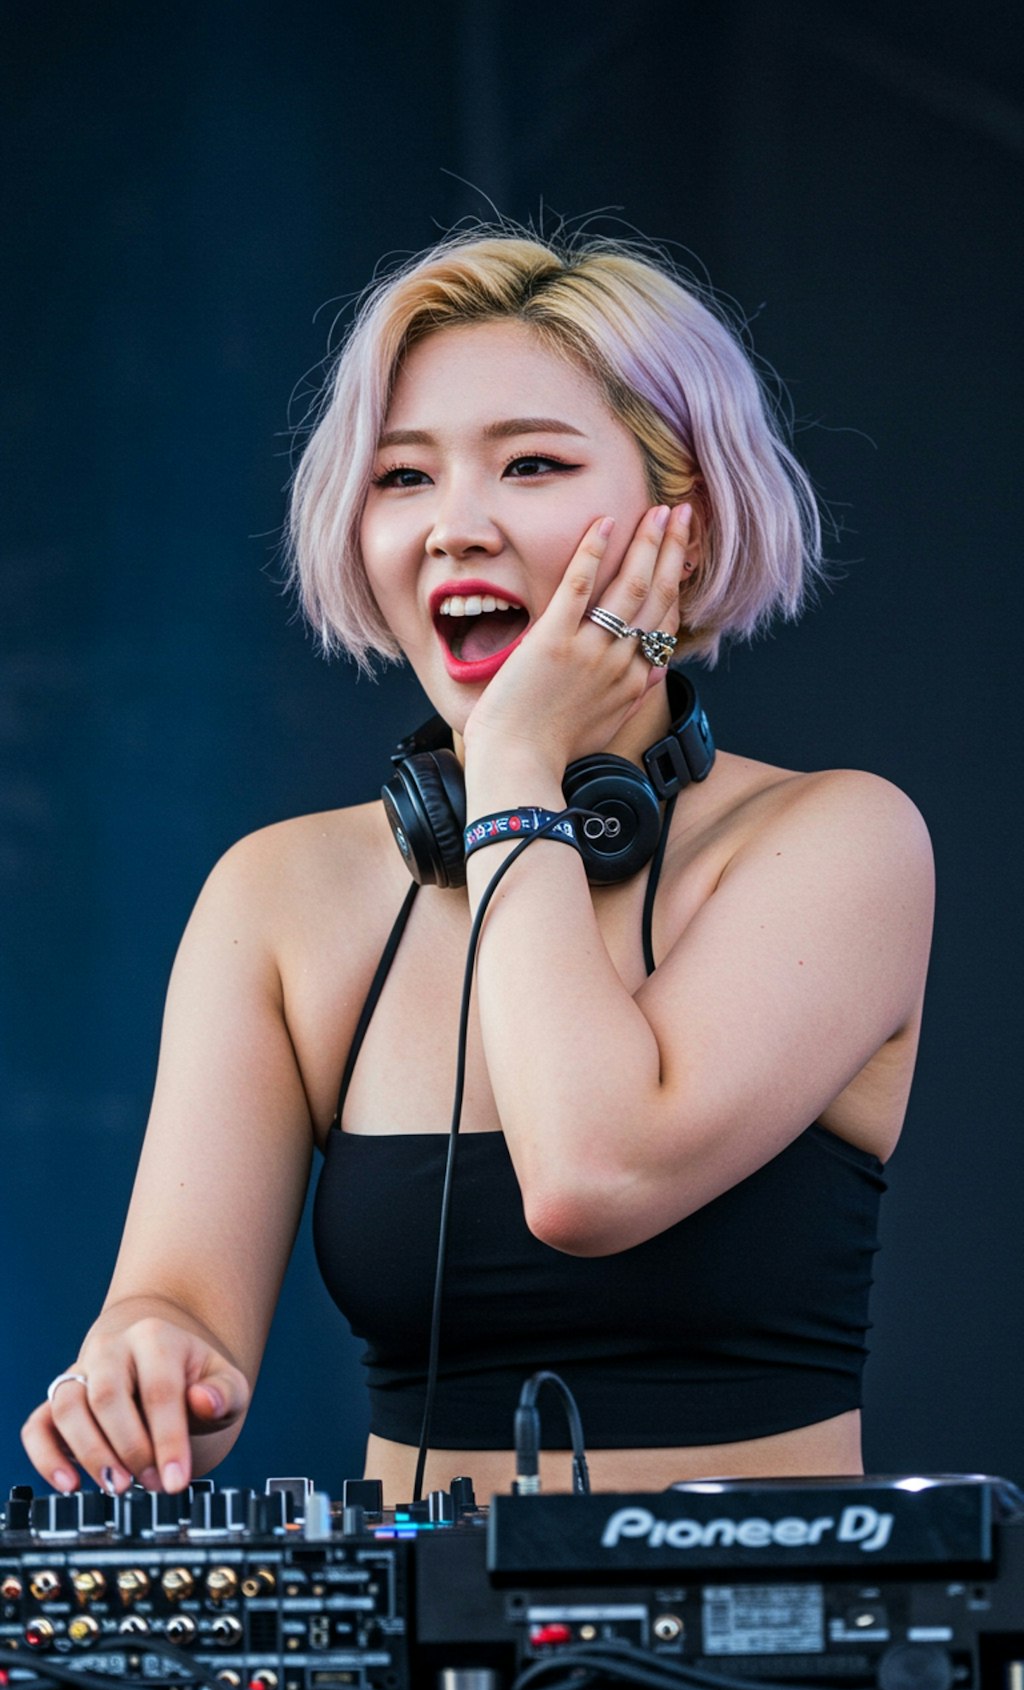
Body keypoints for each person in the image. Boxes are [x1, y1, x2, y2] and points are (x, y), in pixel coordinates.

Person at [22, 229, 934, 1508]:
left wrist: (512, 765)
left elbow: (589, 1174)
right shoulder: (279, 895)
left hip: (762, 1635)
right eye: (403, 476)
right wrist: (150, 1360)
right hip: (414, 1640)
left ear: (684, 522)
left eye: (532, 464)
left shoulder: (839, 840)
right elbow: (177, 1303)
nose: (455, 526)